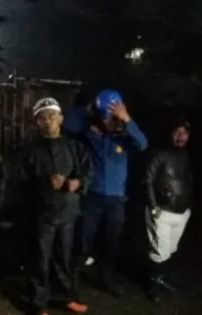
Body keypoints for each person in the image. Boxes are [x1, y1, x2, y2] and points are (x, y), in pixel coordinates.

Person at [22, 97, 90, 315]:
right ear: (37, 122)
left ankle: (66, 297)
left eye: (52, 116)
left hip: (68, 212)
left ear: (61, 118)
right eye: (42, 118)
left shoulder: (75, 147)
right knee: (40, 259)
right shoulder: (30, 150)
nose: (48, 121)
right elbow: (20, 180)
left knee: (64, 257)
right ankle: (39, 304)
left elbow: (88, 172)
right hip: (42, 213)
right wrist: (44, 183)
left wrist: (77, 183)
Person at [80, 89, 147, 296]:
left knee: (111, 241)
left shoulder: (124, 139)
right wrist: (90, 119)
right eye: (105, 117)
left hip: (116, 199)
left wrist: (127, 119)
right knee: (83, 237)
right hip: (92, 197)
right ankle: (72, 277)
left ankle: (105, 277)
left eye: (112, 117)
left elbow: (143, 144)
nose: (109, 121)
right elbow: (71, 124)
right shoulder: (90, 135)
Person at [144, 118, 193, 302]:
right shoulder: (159, 154)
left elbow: (189, 181)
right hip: (162, 210)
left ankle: (162, 278)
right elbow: (148, 180)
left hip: (181, 212)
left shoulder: (186, 156)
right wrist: (154, 206)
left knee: (171, 248)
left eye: (185, 133)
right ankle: (153, 286)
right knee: (160, 250)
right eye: (177, 132)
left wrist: (189, 207)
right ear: (170, 133)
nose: (181, 136)